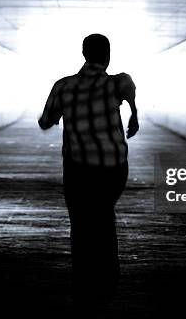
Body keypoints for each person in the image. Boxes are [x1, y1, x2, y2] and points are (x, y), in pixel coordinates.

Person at [38, 33, 139, 306]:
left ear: (84, 55)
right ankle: (109, 277)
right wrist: (133, 111)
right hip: (114, 168)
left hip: (79, 169)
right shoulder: (115, 83)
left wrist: (64, 116)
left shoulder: (63, 86)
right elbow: (128, 84)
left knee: (81, 223)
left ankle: (83, 280)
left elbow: (46, 121)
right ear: (107, 56)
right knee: (104, 215)